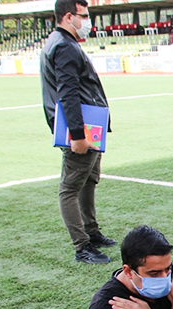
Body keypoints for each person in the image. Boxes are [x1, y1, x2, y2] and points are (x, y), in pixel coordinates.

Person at [40, 0, 116, 264]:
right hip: (82, 128)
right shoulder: (64, 46)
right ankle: (82, 246)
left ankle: (91, 232)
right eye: (84, 16)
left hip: (90, 126)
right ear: (68, 16)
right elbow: (68, 93)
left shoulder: (61, 43)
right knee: (71, 187)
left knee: (88, 180)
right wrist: (77, 135)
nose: (88, 22)